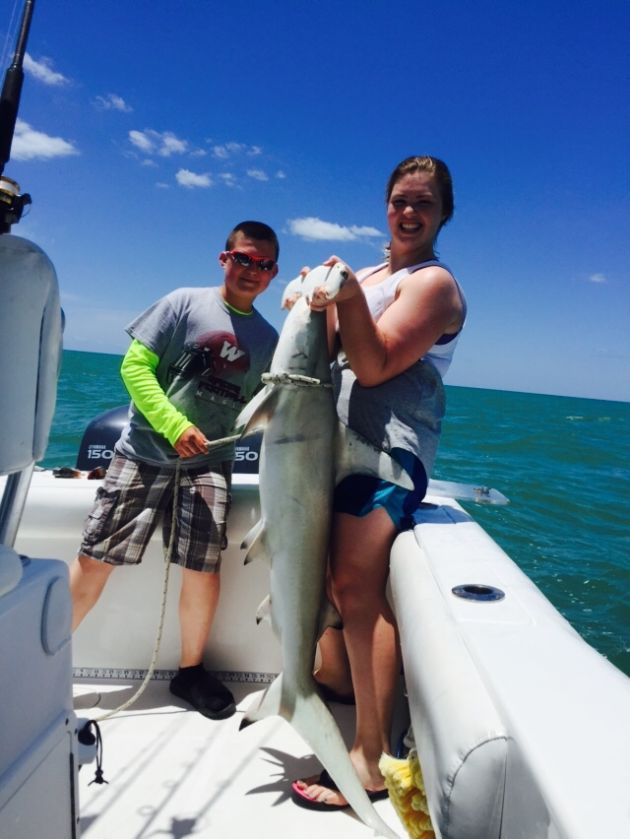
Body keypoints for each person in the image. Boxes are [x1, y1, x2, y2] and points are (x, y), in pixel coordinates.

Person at [291, 156, 467, 807]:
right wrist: (312, 297)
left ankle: (372, 756)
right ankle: (340, 686)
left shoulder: (434, 285)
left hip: (388, 451)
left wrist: (345, 298)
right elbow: (327, 346)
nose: (409, 212)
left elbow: (373, 365)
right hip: (331, 443)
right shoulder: (366, 276)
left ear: (444, 213)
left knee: (357, 586)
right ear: (385, 205)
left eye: (424, 202)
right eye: (400, 200)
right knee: (326, 577)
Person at [69, 220, 279, 720]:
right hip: (143, 453)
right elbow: (134, 367)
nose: (251, 270)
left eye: (264, 264)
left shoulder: (270, 340)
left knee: (203, 571)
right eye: (243, 258)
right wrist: (174, 424)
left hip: (209, 465)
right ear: (224, 259)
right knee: (96, 557)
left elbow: (267, 407)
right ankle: (43, 657)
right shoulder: (183, 302)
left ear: (274, 274)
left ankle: (190, 672)